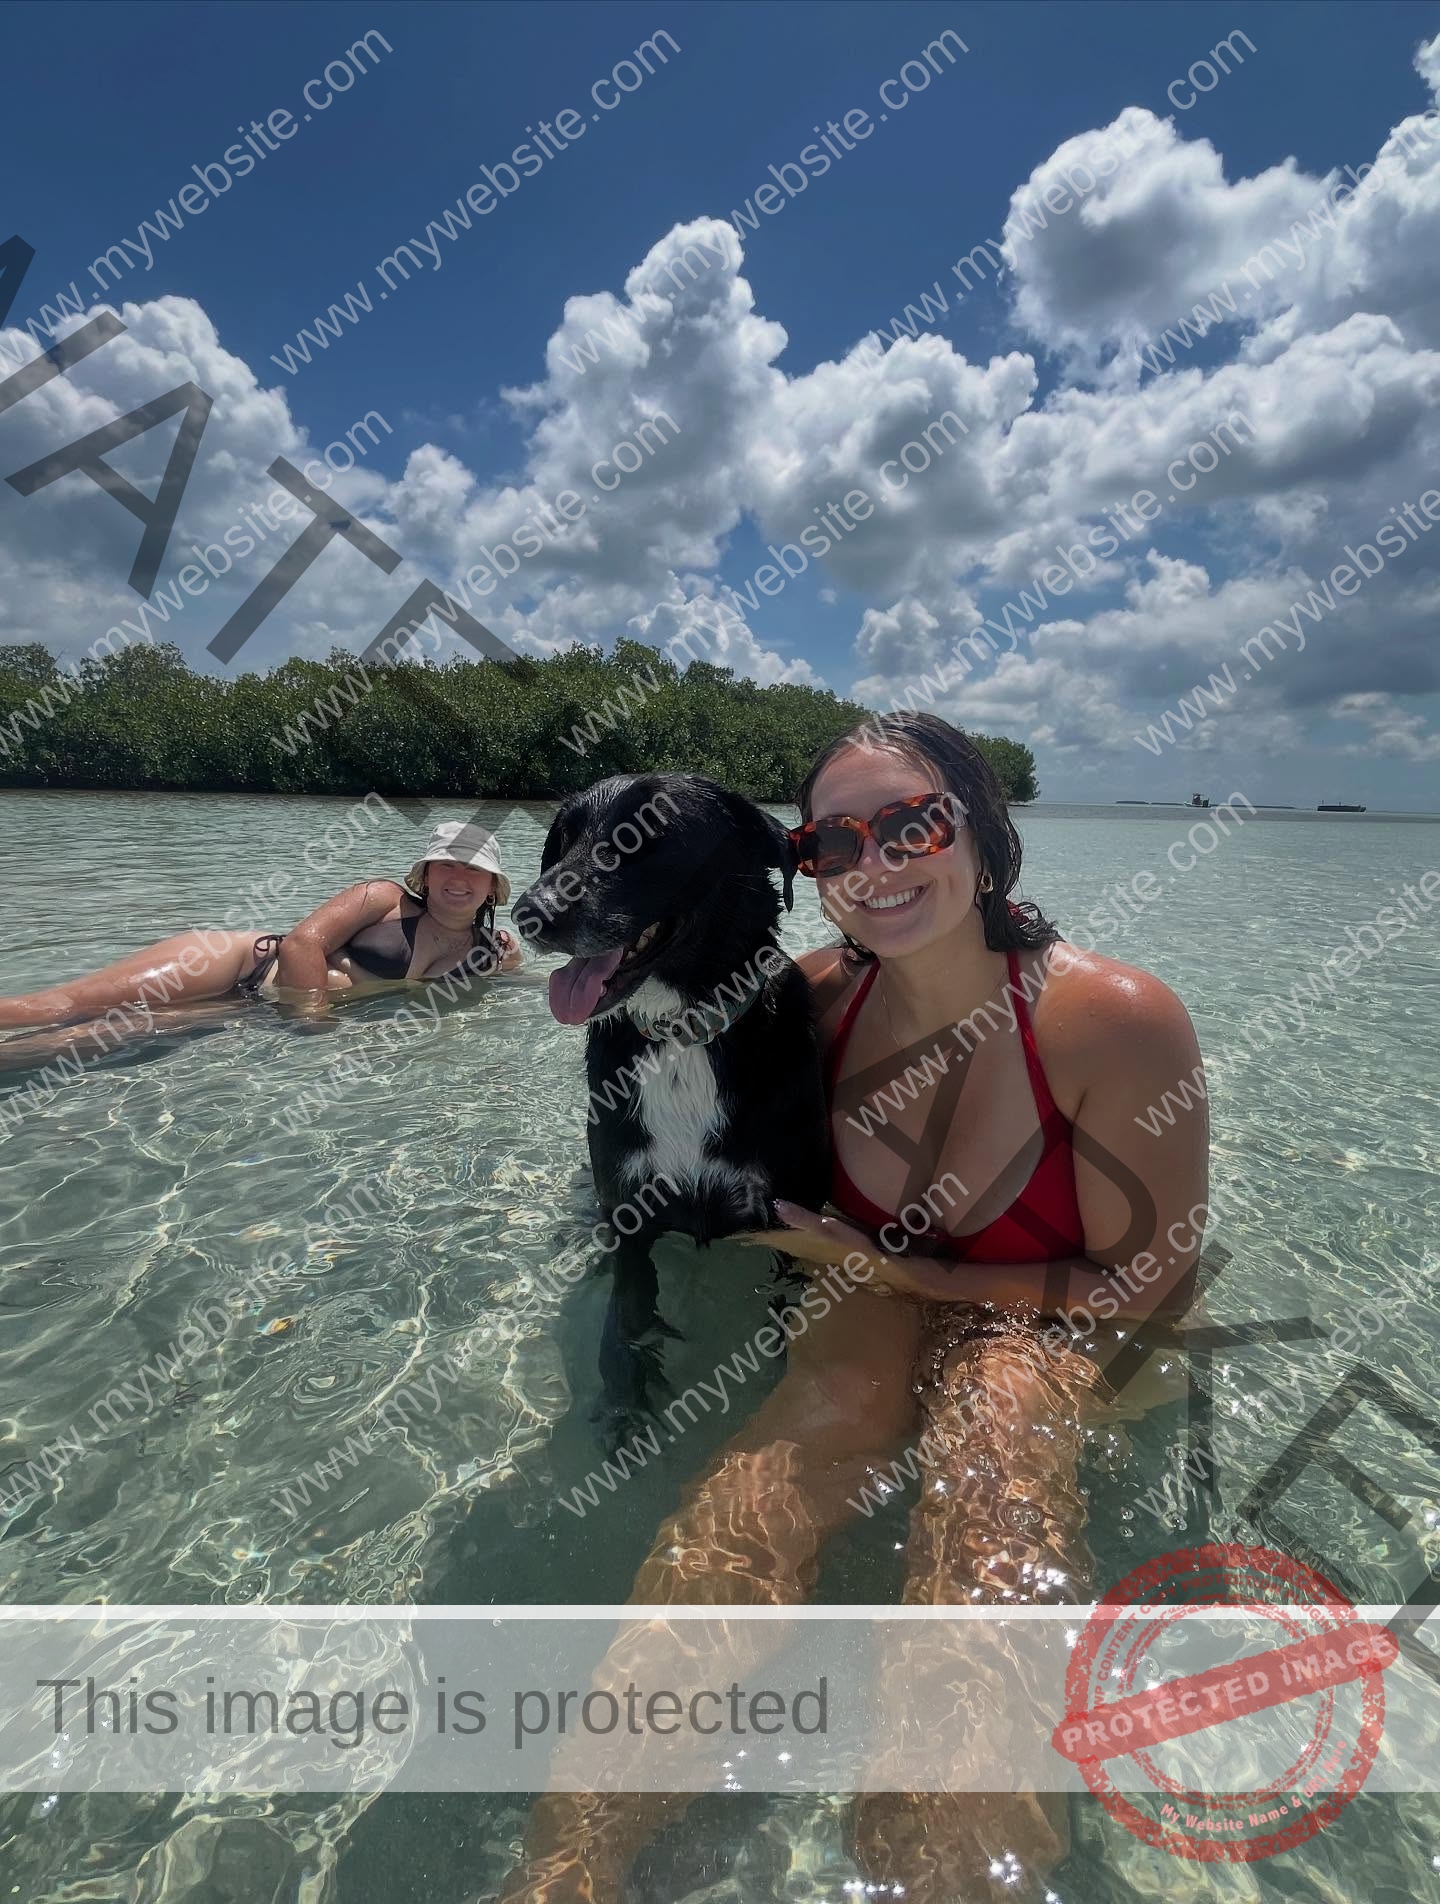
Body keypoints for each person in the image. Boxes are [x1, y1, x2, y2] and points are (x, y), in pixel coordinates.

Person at [500, 713, 1209, 1902]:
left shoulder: (1114, 1016)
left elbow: (1153, 1287)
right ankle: (566, 1867)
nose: (873, 864)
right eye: (836, 841)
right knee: (775, 1468)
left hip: (1051, 1307)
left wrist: (936, 1283)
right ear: (806, 866)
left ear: (982, 830)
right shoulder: (809, 999)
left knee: (989, 1456)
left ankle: (949, 1873)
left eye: (911, 824)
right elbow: (655, 1055)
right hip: (873, 1278)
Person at [0, 820, 522, 1033]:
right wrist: (313, 1024)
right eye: (446, 865)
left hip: (254, 1009)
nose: (459, 877)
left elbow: (520, 986)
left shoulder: (486, 950)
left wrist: (511, 957)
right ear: (426, 874)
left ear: (492, 885)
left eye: (474, 868)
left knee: (80, 1044)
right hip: (236, 964)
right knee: (63, 1009)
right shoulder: (382, 897)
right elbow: (302, 943)